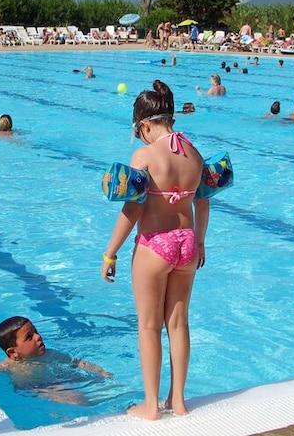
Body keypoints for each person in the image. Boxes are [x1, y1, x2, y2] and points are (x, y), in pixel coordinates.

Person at [101, 80, 209, 420]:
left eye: (139, 132)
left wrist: (110, 252)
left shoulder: (145, 155)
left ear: (145, 125)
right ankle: (178, 400)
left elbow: (133, 209)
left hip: (155, 246)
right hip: (187, 243)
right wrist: (200, 242)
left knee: (149, 327)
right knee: (178, 323)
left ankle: (151, 406)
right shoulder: (195, 154)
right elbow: (203, 202)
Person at [0, 317, 110, 403]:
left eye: (36, 331)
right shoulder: (9, 364)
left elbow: (76, 362)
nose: (38, 337)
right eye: (29, 337)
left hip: (53, 378)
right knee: (78, 399)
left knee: (92, 380)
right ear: (13, 352)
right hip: (33, 388)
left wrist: (99, 371)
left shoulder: (50, 354)